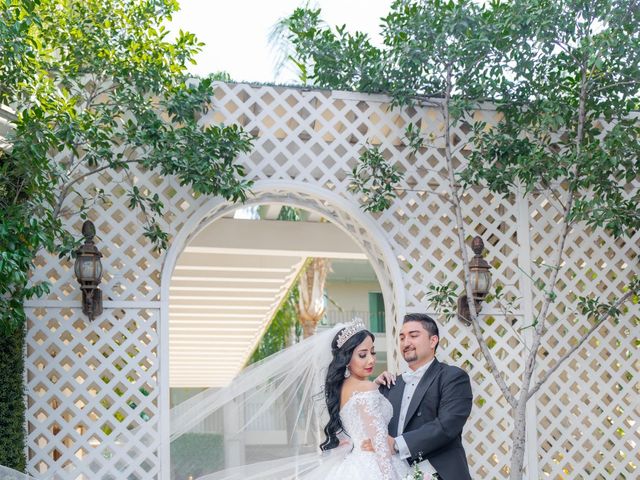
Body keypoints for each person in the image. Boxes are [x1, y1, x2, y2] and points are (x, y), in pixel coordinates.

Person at [370, 313, 473, 480]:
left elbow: (447, 425)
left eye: (414, 335)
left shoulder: (453, 377)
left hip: (440, 474)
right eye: (402, 338)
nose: (406, 343)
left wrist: (396, 445)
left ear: (433, 341)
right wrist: (374, 388)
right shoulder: (390, 384)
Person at [319, 320, 410, 479]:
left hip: (353, 464)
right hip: (374, 466)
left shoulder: (341, 389)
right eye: (363, 355)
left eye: (372, 352)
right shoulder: (366, 389)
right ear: (346, 359)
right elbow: (380, 446)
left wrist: (375, 384)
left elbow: (358, 409)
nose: (371, 360)